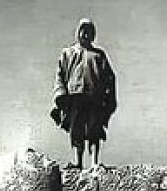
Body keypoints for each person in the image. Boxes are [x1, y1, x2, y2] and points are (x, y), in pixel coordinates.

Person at [50, 19, 117, 169]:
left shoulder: (99, 55)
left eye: (89, 32)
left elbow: (110, 78)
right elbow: (60, 75)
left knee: (95, 129)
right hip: (75, 96)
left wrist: (109, 98)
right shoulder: (68, 53)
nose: (85, 34)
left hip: (95, 97)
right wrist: (60, 95)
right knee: (76, 129)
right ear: (78, 32)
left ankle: (94, 162)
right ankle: (78, 162)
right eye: (83, 31)